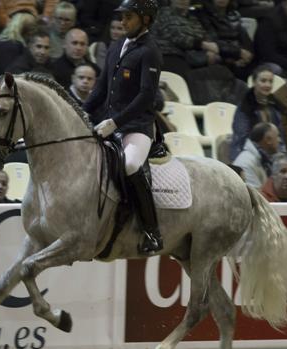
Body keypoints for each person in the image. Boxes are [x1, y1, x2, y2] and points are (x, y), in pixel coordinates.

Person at [83, 0, 163, 254]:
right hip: (109, 123)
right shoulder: (116, 46)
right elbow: (101, 89)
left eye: (129, 17)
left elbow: (146, 97)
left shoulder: (150, 51)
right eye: (122, 17)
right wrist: (81, 112)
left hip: (137, 127)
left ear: (145, 20)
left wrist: (116, 122)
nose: (122, 22)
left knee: (129, 165)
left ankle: (152, 231)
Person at [231, 65, 286, 160]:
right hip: (251, 154)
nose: (268, 85)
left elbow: (280, 136)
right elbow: (242, 138)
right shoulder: (244, 107)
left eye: (270, 81)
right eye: (263, 81)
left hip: (274, 154)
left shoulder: (276, 105)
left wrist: (282, 153)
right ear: (254, 82)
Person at [233, 122, 280, 188]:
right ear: (268, 140)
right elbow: (255, 196)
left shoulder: (264, 159)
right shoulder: (245, 164)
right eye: (277, 136)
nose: (279, 140)